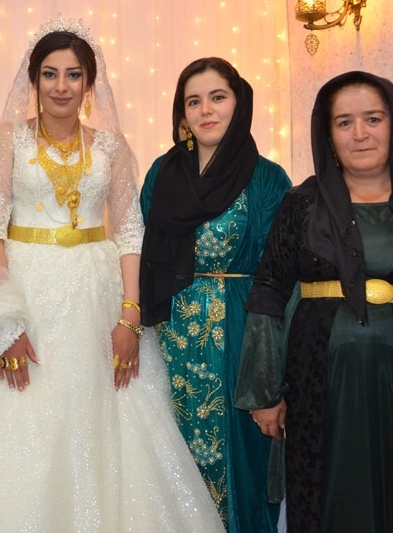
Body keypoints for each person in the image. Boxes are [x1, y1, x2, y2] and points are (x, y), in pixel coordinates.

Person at [0, 17, 224, 532]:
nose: (61, 86)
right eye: (50, 74)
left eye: (73, 75)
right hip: (26, 291)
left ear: (89, 83)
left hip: (98, 297)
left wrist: (130, 317)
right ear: (34, 80)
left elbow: (130, 233)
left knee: (110, 422)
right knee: (18, 418)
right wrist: (4, 320)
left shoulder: (112, 147)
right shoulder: (7, 139)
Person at [235, 71, 393, 533]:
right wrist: (263, 391)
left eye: (373, 118)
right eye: (344, 122)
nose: (360, 133)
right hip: (318, 387)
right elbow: (269, 293)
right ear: (329, 135)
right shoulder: (301, 205)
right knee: (328, 500)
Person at [139, 57, 291, 531]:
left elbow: (279, 277)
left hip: (241, 336)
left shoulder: (267, 178)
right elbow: (141, 253)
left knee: (241, 463)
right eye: (194, 101)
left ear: (238, 103)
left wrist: (269, 375)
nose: (206, 110)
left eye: (218, 97)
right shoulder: (161, 174)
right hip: (168, 338)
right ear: (181, 114)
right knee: (167, 458)